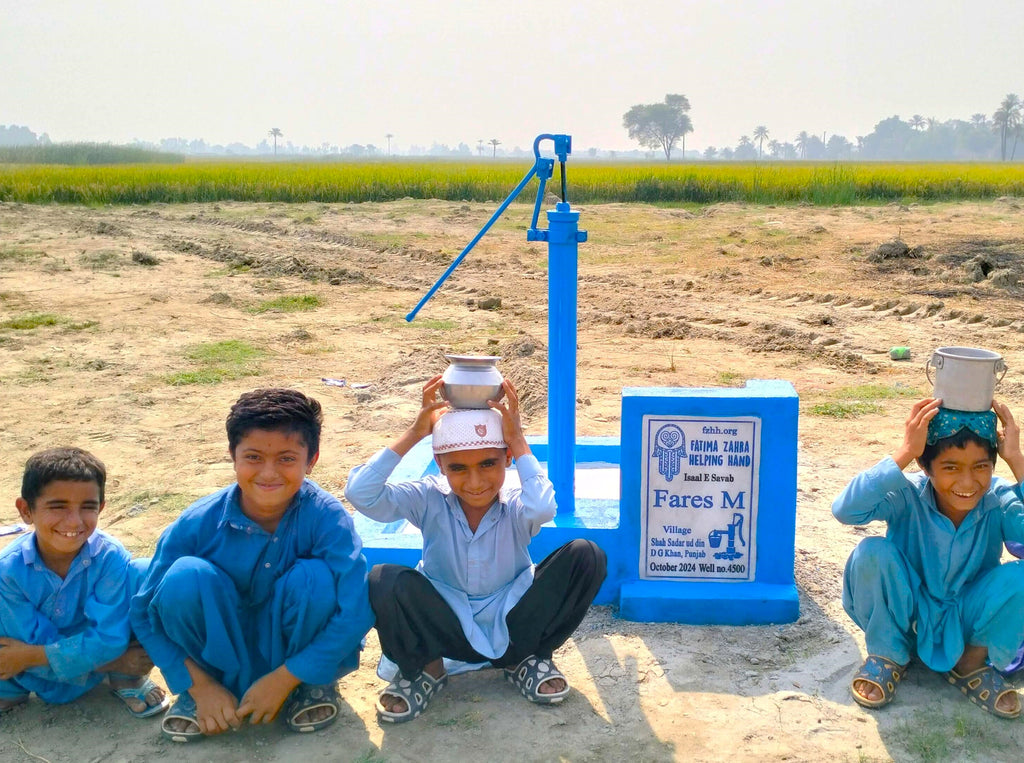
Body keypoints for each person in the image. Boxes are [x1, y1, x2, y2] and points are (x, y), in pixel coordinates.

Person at [345, 375, 607, 723]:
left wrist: (518, 440)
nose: (475, 482)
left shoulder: (516, 505)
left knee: (586, 555)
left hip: (513, 622)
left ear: (507, 460)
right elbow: (361, 494)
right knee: (383, 579)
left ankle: (526, 658)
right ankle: (425, 669)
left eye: (488, 464)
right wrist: (414, 434)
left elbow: (544, 508)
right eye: (458, 468)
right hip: (444, 626)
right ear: (440, 465)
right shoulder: (427, 498)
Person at [130, 388, 373, 742]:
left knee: (315, 579)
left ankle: (307, 684)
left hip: (295, 655)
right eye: (254, 457)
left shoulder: (327, 519)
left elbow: (357, 610)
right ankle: (205, 694)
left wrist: (286, 677)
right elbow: (143, 613)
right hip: (216, 657)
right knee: (184, 578)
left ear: (312, 460)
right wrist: (199, 685)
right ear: (232, 455)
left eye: (287, 459)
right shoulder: (197, 522)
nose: (269, 473)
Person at [833, 398, 1024, 719]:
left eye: (981, 467)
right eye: (951, 468)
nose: (967, 483)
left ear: (993, 466)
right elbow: (845, 510)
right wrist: (906, 450)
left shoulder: (999, 500)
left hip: (967, 619)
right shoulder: (906, 493)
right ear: (925, 466)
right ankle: (890, 654)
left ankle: (970, 664)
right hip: (907, 613)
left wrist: (1016, 459)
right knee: (871, 552)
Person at [0, 447, 167, 718]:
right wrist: (115, 661)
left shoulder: (110, 556)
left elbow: (111, 638)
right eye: (58, 506)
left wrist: (31, 656)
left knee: (144, 573)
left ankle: (126, 678)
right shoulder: (8, 571)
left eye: (88, 507)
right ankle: (11, 690)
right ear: (25, 510)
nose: (75, 521)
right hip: (29, 669)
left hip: (49, 657)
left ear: (100, 507)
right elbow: (23, 644)